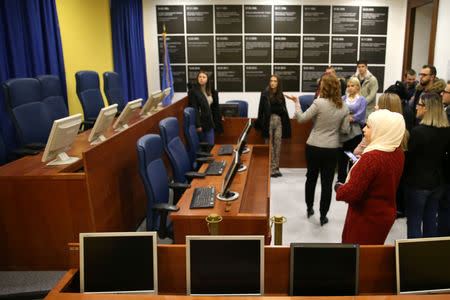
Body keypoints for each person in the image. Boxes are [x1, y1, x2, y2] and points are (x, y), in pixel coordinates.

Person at [335, 109, 406, 245]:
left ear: (381, 130)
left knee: (357, 257)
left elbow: (349, 193)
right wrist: (363, 165)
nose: (363, 129)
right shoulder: (398, 153)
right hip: (385, 215)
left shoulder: (371, 158)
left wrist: (338, 187)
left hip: (366, 217)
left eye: (368, 126)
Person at [288, 75, 349, 226]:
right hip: (332, 148)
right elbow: (345, 130)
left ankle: (309, 208)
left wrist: (296, 103)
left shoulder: (319, 103)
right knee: (327, 183)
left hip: (314, 146)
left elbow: (301, 119)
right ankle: (323, 216)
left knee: (311, 178)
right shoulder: (344, 106)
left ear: (325, 87)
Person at [405, 93, 450, 238]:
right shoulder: (446, 131)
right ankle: (429, 256)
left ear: (427, 108)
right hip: (438, 183)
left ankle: (413, 257)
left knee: (414, 222)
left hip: (418, 184)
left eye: (419, 104)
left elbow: (409, 158)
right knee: (431, 221)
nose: (417, 107)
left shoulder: (418, 132)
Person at [254, 75, 291, 178]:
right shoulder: (264, 94)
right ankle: (271, 168)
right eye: (271, 81)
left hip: (278, 120)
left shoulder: (280, 95)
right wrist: (260, 123)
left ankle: (276, 168)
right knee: (270, 145)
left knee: (277, 144)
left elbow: (284, 110)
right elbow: (260, 110)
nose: (273, 83)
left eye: (275, 81)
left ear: (278, 83)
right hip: (268, 121)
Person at [337, 76, 367, 183]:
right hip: (343, 132)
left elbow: (361, 115)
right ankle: (341, 179)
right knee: (342, 157)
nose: (350, 88)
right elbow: (338, 112)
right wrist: (347, 117)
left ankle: (352, 179)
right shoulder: (343, 98)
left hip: (355, 133)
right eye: (348, 86)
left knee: (352, 156)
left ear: (358, 87)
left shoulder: (362, 100)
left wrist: (350, 117)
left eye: (352, 86)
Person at [187, 71, 223, 144]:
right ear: (197, 79)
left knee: (211, 144)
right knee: (204, 146)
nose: (201, 79)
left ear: (207, 79)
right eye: (200, 77)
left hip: (210, 121)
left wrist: (219, 116)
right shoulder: (193, 91)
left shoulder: (211, 91)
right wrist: (198, 125)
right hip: (201, 122)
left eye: (204, 77)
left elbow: (215, 106)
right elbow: (195, 109)